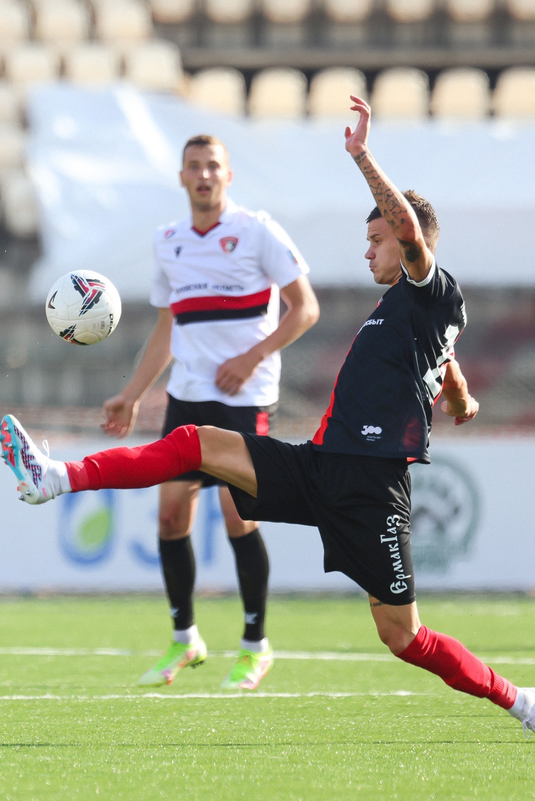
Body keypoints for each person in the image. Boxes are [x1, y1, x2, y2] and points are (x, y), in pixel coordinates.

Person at [0, 98, 535, 742]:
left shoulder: (429, 286)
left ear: (408, 238)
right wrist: (461, 395)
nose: (369, 252)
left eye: (375, 239)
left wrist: (361, 156)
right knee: (194, 443)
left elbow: (413, 237)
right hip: (321, 463)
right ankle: (55, 477)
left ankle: (522, 702)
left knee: (404, 636)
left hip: (371, 490)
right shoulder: (411, 309)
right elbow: (440, 356)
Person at [101, 134, 319, 690]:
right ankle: (185, 639)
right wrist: (132, 394)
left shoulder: (257, 231)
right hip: (188, 396)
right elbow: (167, 327)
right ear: (181, 177)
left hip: (245, 397)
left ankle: (254, 646)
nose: (204, 175)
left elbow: (305, 308)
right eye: (194, 167)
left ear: (228, 176)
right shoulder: (168, 241)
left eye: (213, 166)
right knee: (171, 515)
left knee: (236, 514)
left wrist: (251, 357)